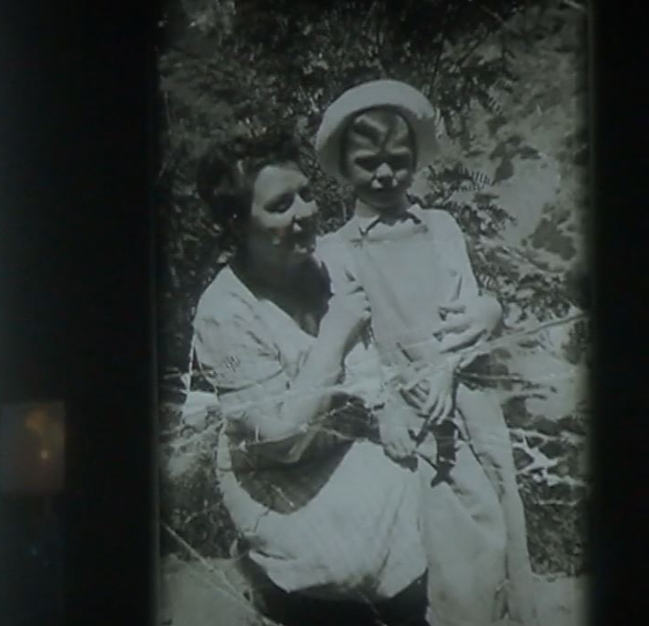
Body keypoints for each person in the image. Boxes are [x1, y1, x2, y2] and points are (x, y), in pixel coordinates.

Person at [186, 128, 502, 626]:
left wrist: (488, 309)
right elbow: (279, 441)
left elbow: (421, 313)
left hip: (358, 438)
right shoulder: (225, 312)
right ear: (236, 221)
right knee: (354, 562)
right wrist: (334, 337)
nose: (304, 213)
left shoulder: (328, 263)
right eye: (280, 205)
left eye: (307, 195)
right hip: (279, 477)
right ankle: (274, 584)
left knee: (453, 510)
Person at [314, 79, 539, 626]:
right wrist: (386, 404)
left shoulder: (441, 227)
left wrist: (488, 312)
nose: (385, 175)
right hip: (401, 405)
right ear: (345, 169)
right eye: (369, 164)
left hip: (462, 389)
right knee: (448, 541)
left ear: (415, 159)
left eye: (398, 161)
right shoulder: (336, 249)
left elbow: (465, 308)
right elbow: (355, 342)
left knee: (496, 517)